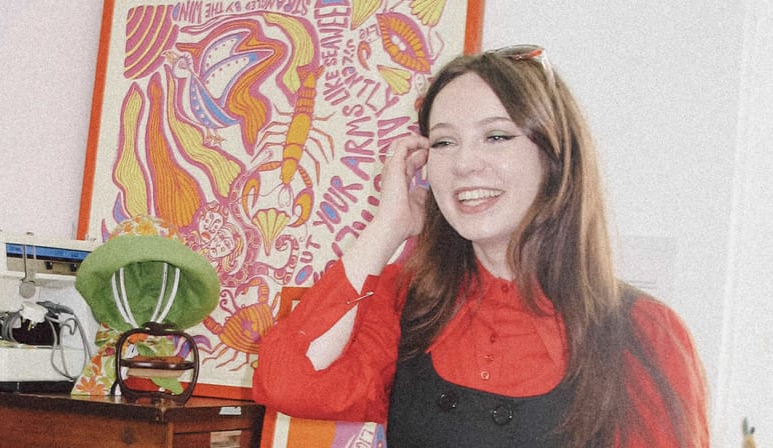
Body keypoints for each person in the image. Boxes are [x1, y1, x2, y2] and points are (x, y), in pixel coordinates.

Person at [253, 45, 709, 447]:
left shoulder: (643, 334)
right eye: (444, 142)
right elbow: (289, 383)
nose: (465, 163)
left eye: (497, 136)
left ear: (554, 157)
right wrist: (385, 228)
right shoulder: (408, 303)